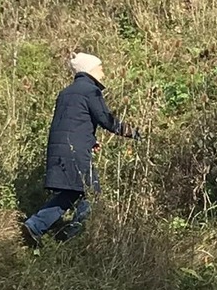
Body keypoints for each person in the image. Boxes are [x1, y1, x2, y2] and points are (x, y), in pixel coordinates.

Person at [22, 53, 139, 246]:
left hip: (62, 149)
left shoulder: (67, 92)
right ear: (90, 69)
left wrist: (89, 139)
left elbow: (73, 122)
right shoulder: (90, 91)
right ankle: (73, 234)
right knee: (92, 192)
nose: (103, 72)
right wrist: (135, 133)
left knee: (73, 191)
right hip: (75, 151)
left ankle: (35, 225)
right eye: (100, 67)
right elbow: (106, 120)